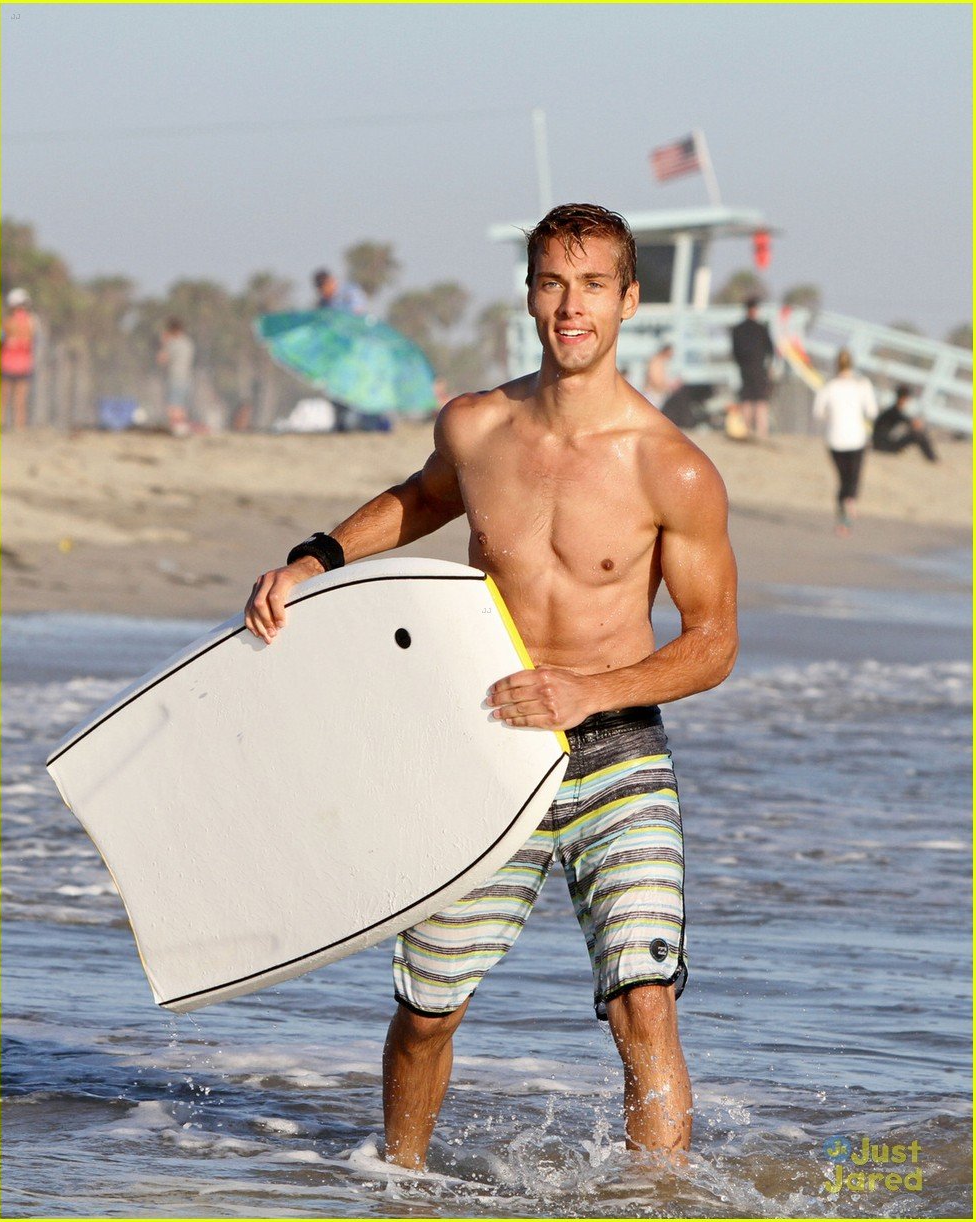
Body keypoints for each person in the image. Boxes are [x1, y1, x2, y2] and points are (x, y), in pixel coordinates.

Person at [246, 204, 739, 1166]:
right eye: (553, 283)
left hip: (614, 751)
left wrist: (587, 693)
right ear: (528, 295)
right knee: (428, 1010)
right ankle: (400, 1182)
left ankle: (658, 1199)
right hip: (484, 748)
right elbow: (425, 497)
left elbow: (713, 642)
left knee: (644, 1001)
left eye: (593, 284)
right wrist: (316, 558)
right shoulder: (477, 425)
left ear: (630, 301)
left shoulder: (670, 467)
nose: (571, 306)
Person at [813, 349, 878, 536]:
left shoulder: (829, 386)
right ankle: (850, 503)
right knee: (854, 476)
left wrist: (832, 417)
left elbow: (818, 412)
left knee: (842, 479)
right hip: (856, 437)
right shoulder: (862, 385)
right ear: (852, 364)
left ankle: (842, 519)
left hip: (834, 437)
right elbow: (872, 412)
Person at [729, 297, 775, 439]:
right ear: (755, 310)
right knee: (761, 400)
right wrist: (769, 368)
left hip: (744, 368)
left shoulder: (737, 330)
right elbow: (770, 350)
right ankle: (762, 432)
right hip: (758, 368)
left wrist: (741, 364)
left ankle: (746, 429)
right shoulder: (761, 329)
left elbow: (735, 352)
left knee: (746, 399)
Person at [0, 288, 36, 430]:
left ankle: (1, 423)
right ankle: (19, 426)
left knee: (4, 396)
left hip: (7, 363)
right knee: (20, 399)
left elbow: (2, 339)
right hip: (24, 364)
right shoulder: (32, 321)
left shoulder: (8, 321)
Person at [872, 384, 938, 462]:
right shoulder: (894, 411)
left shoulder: (892, 410)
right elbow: (911, 423)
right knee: (917, 434)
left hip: (880, 444)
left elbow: (907, 420)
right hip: (883, 446)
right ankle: (932, 458)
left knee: (916, 432)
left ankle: (932, 457)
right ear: (903, 398)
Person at [157, 318, 196, 436]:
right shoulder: (188, 343)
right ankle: (182, 428)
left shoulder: (173, 343)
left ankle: (176, 429)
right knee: (182, 405)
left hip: (175, 377)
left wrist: (164, 343)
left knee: (173, 406)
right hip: (187, 378)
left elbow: (161, 359)